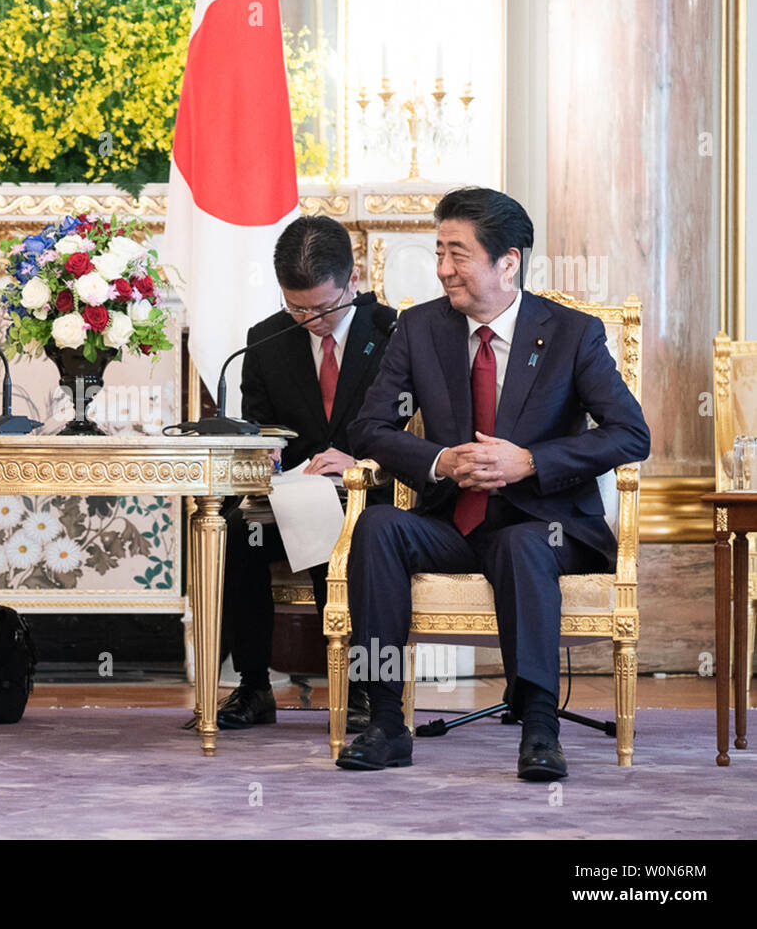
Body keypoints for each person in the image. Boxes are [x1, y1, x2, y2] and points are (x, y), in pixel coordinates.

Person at [337, 187, 650, 780]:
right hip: (451, 521)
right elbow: (369, 428)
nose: (443, 269)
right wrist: (440, 461)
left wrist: (530, 461)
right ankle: (383, 721)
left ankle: (539, 727)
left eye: (457, 254)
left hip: (546, 524)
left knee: (521, 542)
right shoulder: (419, 328)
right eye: (438, 252)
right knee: (377, 526)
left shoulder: (571, 333)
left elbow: (631, 435)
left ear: (508, 262)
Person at [217, 215, 397, 731]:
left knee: (336, 532)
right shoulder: (264, 341)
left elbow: (415, 428)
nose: (310, 320)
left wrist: (366, 462)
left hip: (367, 496)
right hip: (288, 496)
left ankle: (362, 688)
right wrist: (264, 455)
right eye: (295, 307)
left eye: (322, 307)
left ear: (353, 280)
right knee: (234, 531)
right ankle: (253, 686)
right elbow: (257, 429)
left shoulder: (393, 334)